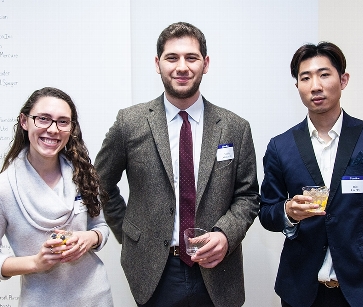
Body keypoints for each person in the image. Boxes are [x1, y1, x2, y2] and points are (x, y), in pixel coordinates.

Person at [94, 22, 259, 307]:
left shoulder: (235, 128)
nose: (181, 67)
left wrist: (225, 235)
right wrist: (131, 234)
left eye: (191, 57)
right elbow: (100, 183)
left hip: (218, 269)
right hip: (155, 272)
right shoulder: (129, 123)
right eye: (172, 58)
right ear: (158, 64)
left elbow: (248, 195)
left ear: (205, 64)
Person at [259, 42, 363, 307]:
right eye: (305, 78)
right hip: (302, 290)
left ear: (343, 79)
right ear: (297, 87)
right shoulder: (280, 147)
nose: (315, 85)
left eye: (324, 74)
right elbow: (267, 212)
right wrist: (288, 212)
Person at [0, 87, 114, 306]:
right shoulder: (2, 189)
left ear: (71, 128)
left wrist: (90, 238)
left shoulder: (83, 174)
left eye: (63, 122)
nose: (53, 129)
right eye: (43, 119)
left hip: (96, 297)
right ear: (24, 121)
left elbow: (101, 227)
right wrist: (35, 263)